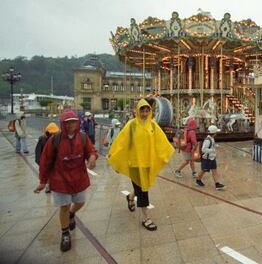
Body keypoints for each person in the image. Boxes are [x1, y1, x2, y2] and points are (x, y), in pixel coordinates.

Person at [33, 109, 97, 252]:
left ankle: (71, 214)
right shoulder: (54, 140)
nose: (70, 125)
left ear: (77, 122)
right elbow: (45, 161)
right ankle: (65, 233)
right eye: (67, 123)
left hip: (78, 177)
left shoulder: (83, 137)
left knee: (80, 202)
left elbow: (91, 151)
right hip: (60, 179)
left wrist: (92, 158)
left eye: (73, 122)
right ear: (62, 124)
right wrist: (43, 181)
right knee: (64, 206)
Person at [108, 99, 174, 231]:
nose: (144, 113)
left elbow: (161, 141)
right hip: (135, 164)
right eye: (142, 110)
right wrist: (114, 156)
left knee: (141, 186)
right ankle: (145, 218)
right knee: (143, 190)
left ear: (150, 111)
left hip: (147, 163)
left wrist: (167, 152)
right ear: (138, 111)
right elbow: (122, 142)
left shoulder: (153, 125)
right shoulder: (132, 125)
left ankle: (130, 197)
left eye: (147, 110)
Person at [195, 125, 225, 190]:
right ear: (214, 133)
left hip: (212, 158)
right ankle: (198, 180)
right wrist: (213, 150)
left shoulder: (211, 138)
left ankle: (217, 184)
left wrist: (217, 146)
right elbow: (203, 149)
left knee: (214, 170)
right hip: (207, 158)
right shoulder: (207, 140)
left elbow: (212, 145)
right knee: (203, 170)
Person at [34, 122, 60, 193]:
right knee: (47, 174)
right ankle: (48, 187)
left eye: (55, 133)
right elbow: (38, 153)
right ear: (48, 132)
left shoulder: (57, 140)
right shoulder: (42, 139)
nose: (54, 135)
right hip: (45, 162)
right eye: (52, 133)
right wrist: (40, 162)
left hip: (54, 161)